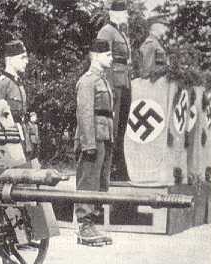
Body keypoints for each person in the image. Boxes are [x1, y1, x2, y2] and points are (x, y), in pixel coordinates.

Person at [74, 39, 114, 246]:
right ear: (96, 56)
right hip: (93, 139)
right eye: (108, 55)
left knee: (100, 182)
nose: (112, 58)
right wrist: (88, 144)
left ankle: (93, 224)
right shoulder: (88, 81)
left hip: (104, 137)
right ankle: (84, 226)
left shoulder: (103, 80)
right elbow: (85, 113)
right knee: (88, 181)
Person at [97, 0, 131, 181]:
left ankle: (118, 167)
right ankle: (109, 169)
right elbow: (103, 59)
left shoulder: (121, 32)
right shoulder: (106, 31)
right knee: (113, 127)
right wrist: (108, 87)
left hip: (123, 82)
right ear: (114, 14)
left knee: (121, 127)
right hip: (114, 84)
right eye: (124, 13)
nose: (127, 16)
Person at [0, 40, 33, 157]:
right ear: (10, 60)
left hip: (21, 139)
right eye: (22, 58)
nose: (26, 61)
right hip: (6, 145)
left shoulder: (19, 84)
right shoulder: (0, 84)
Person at [139, 15, 169, 81]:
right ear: (156, 27)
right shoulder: (150, 43)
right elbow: (147, 71)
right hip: (152, 84)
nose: (166, 29)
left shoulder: (156, 42)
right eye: (164, 26)